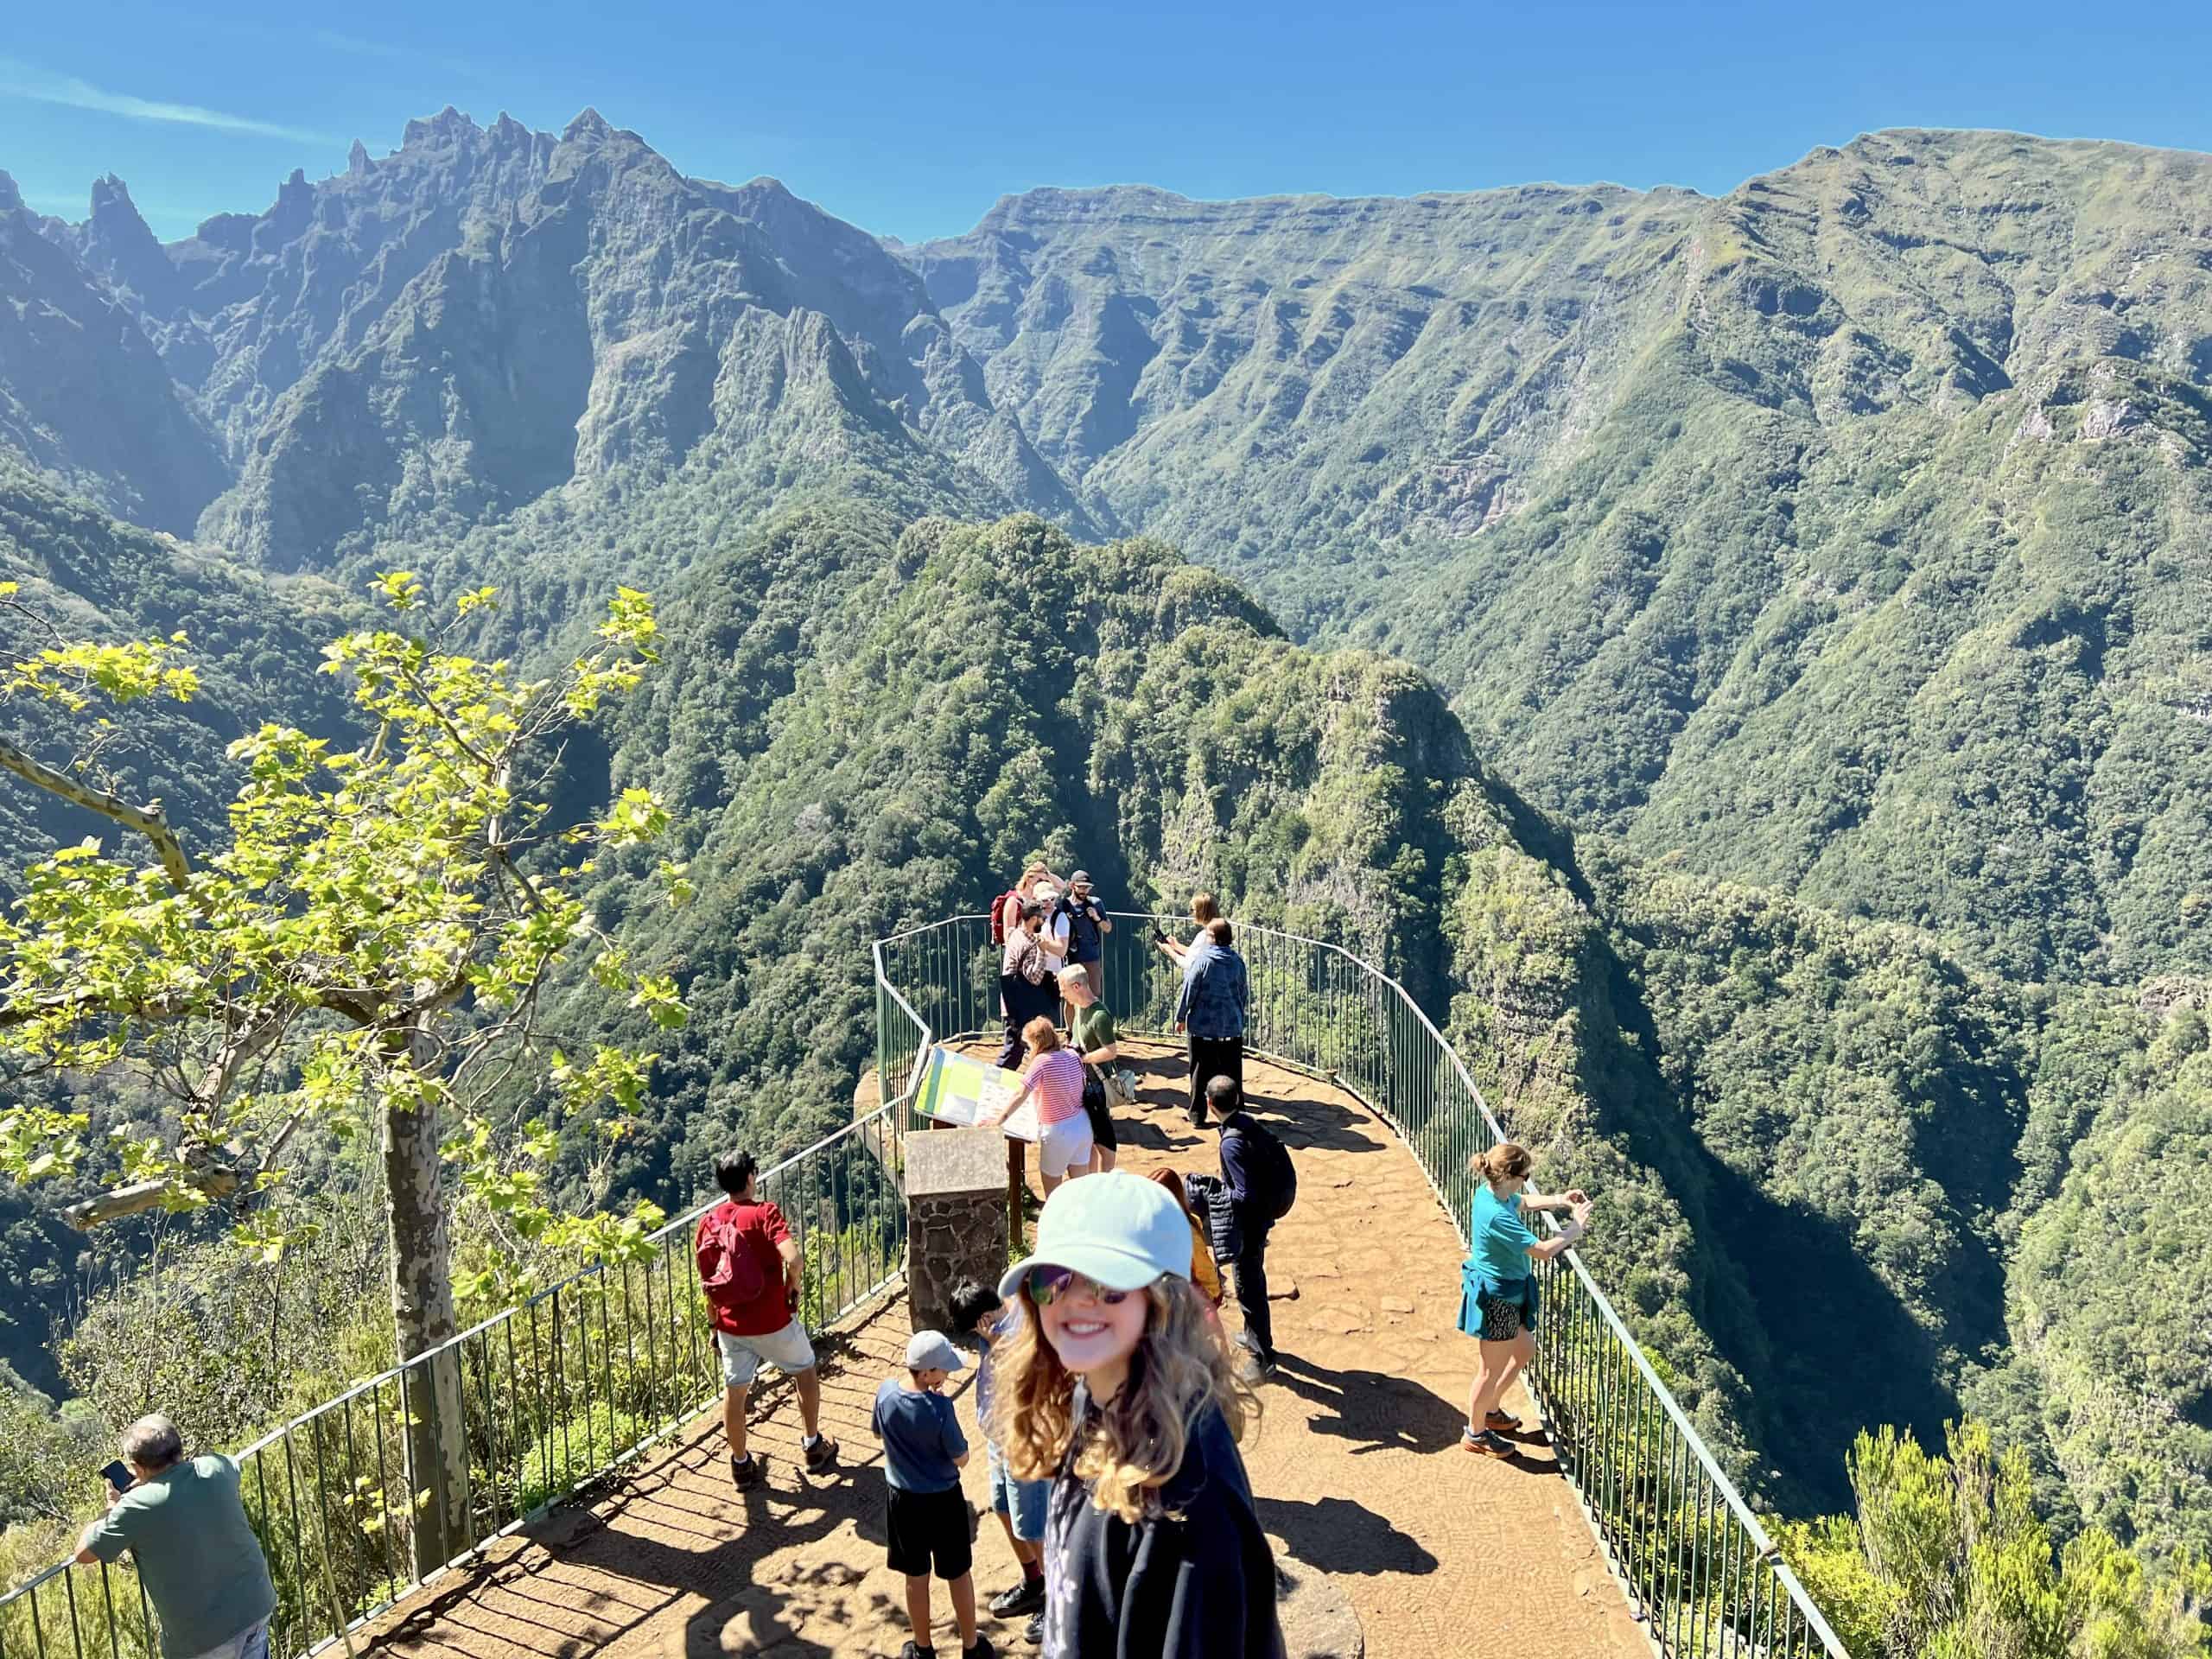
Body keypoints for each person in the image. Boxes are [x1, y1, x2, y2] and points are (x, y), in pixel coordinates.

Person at [990, 1172, 1284, 1659]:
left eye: (1109, 1284)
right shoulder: (1096, 1393)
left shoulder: (1189, 1496)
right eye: (1053, 1279)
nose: (1078, 1298)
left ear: (1164, 1300)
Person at [73, 1415, 276, 1659]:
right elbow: (230, 1466)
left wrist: (111, 1508)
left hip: (205, 1637)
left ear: (137, 1467)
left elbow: (83, 1553)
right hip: (254, 1605)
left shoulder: (135, 1506)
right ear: (179, 1448)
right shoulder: (215, 1469)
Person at [696, 1150, 840, 1490]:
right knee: (804, 1369)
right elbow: (795, 1258)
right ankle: (813, 1446)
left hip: (731, 1324)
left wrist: (714, 1325)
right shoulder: (764, 1213)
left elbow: (708, 1282)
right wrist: (791, 1286)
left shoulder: (709, 1223)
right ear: (750, 1178)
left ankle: (741, 1465)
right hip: (773, 1319)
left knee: (735, 1391)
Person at [1459, 1142, 1591, 1458]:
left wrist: (1560, 1200)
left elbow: (1524, 1202)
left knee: (1524, 1350)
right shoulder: (1495, 1215)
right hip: (1498, 1297)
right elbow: (1543, 1251)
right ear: (1510, 1175)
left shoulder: (1494, 1194)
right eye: (1526, 1174)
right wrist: (1575, 1229)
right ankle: (1476, 1434)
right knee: (1489, 1370)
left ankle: (1490, 1412)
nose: (1527, 1179)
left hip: (1510, 1290)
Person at [874, 1331, 995, 1659]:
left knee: (916, 1575)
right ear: (927, 1373)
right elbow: (961, 1457)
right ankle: (971, 1646)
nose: (947, 1375)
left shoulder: (885, 1394)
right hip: (943, 1501)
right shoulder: (941, 1408)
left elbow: (877, 1431)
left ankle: (922, 1648)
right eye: (943, 1369)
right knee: (958, 1573)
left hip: (902, 1500)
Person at [949, 1280, 1051, 1646]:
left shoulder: (1019, 1331)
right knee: (1004, 1510)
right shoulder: (999, 1318)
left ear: (986, 1317)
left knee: (1034, 1526)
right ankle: (1034, 1581)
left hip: (1024, 1442)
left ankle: (1057, 1600)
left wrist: (994, 1344)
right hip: (999, 1440)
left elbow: (1031, 1375)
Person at [1211, 1077, 1296, 1380]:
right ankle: (1251, 1334)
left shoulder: (1231, 1142)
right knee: (1250, 1280)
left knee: (1249, 1287)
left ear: (1209, 1105)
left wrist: (1218, 1194)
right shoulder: (1247, 1124)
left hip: (1249, 1224)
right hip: (1262, 1215)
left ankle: (1264, 1358)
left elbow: (1244, 1194)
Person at [981, 1017, 1092, 1193]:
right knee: (1081, 1191)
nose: (1028, 1049)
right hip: (1082, 1125)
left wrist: (997, 1121)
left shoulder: (1041, 1062)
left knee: (1053, 1194)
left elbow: (1021, 1093)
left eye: (1029, 1044)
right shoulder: (1073, 1055)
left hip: (1058, 1130)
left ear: (1037, 1043)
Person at [1175, 918, 1249, 1128]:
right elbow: (1243, 991)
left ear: (1213, 938)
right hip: (1231, 1029)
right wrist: (1237, 1015)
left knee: (1199, 1074)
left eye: (1207, 934)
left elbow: (1189, 991)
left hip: (1203, 1029)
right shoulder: (1237, 961)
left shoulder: (1203, 962)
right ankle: (1237, 1116)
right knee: (1233, 1075)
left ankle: (1198, 1115)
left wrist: (1181, 1018)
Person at [1059, 964, 1122, 1174]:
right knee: (1089, 1139)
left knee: (1103, 1140)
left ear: (1076, 987)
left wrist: (1083, 1058)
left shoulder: (1099, 1016)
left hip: (1096, 1087)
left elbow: (1111, 1051)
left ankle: (1105, 1181)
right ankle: (1092, 1179)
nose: (1062, 994)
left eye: (1064, 989)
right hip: (1082, 1083)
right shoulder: (1079, 1007)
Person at [1146, 1168, 1224, 1306]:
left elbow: (1201, 1267)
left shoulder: (1186, 1232)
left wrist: (1210, 1295)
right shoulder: (1169, 1222)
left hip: (1198, 1295)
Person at [996, 901, 1055, 1071]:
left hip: (1011, 999)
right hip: (1021, 1004)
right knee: (1014, 1050)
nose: (1044, 922)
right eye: (1042, 919)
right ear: (1034, 919)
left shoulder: (1015, 934)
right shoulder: (1029, 946)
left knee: (1016, 1047)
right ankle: (994, 1082)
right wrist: (1043, 951)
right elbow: (1035, 978)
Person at [1058, 873, 1113, 1000]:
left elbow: (1108, 928)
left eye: (1087, 888)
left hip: (1091, 957)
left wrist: (1097, 918)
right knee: (1070, 998)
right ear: (1072, 886)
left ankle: (1091, 1020)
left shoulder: (1096, 903)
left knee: (1093, 996)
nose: (1085, 891)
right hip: (1071, 958)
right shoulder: (1063, 905)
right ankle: (1073, 1021)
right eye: (1081, 887)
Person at [1153, 893, 1221, 969]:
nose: (1191, 913)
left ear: (1201, 912)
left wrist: (1169, 951)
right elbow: (1195, 954)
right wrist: (1176, 945)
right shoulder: (1218, 932)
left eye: (1193, 910)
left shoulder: (1205, 936)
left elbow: (1189, 964)